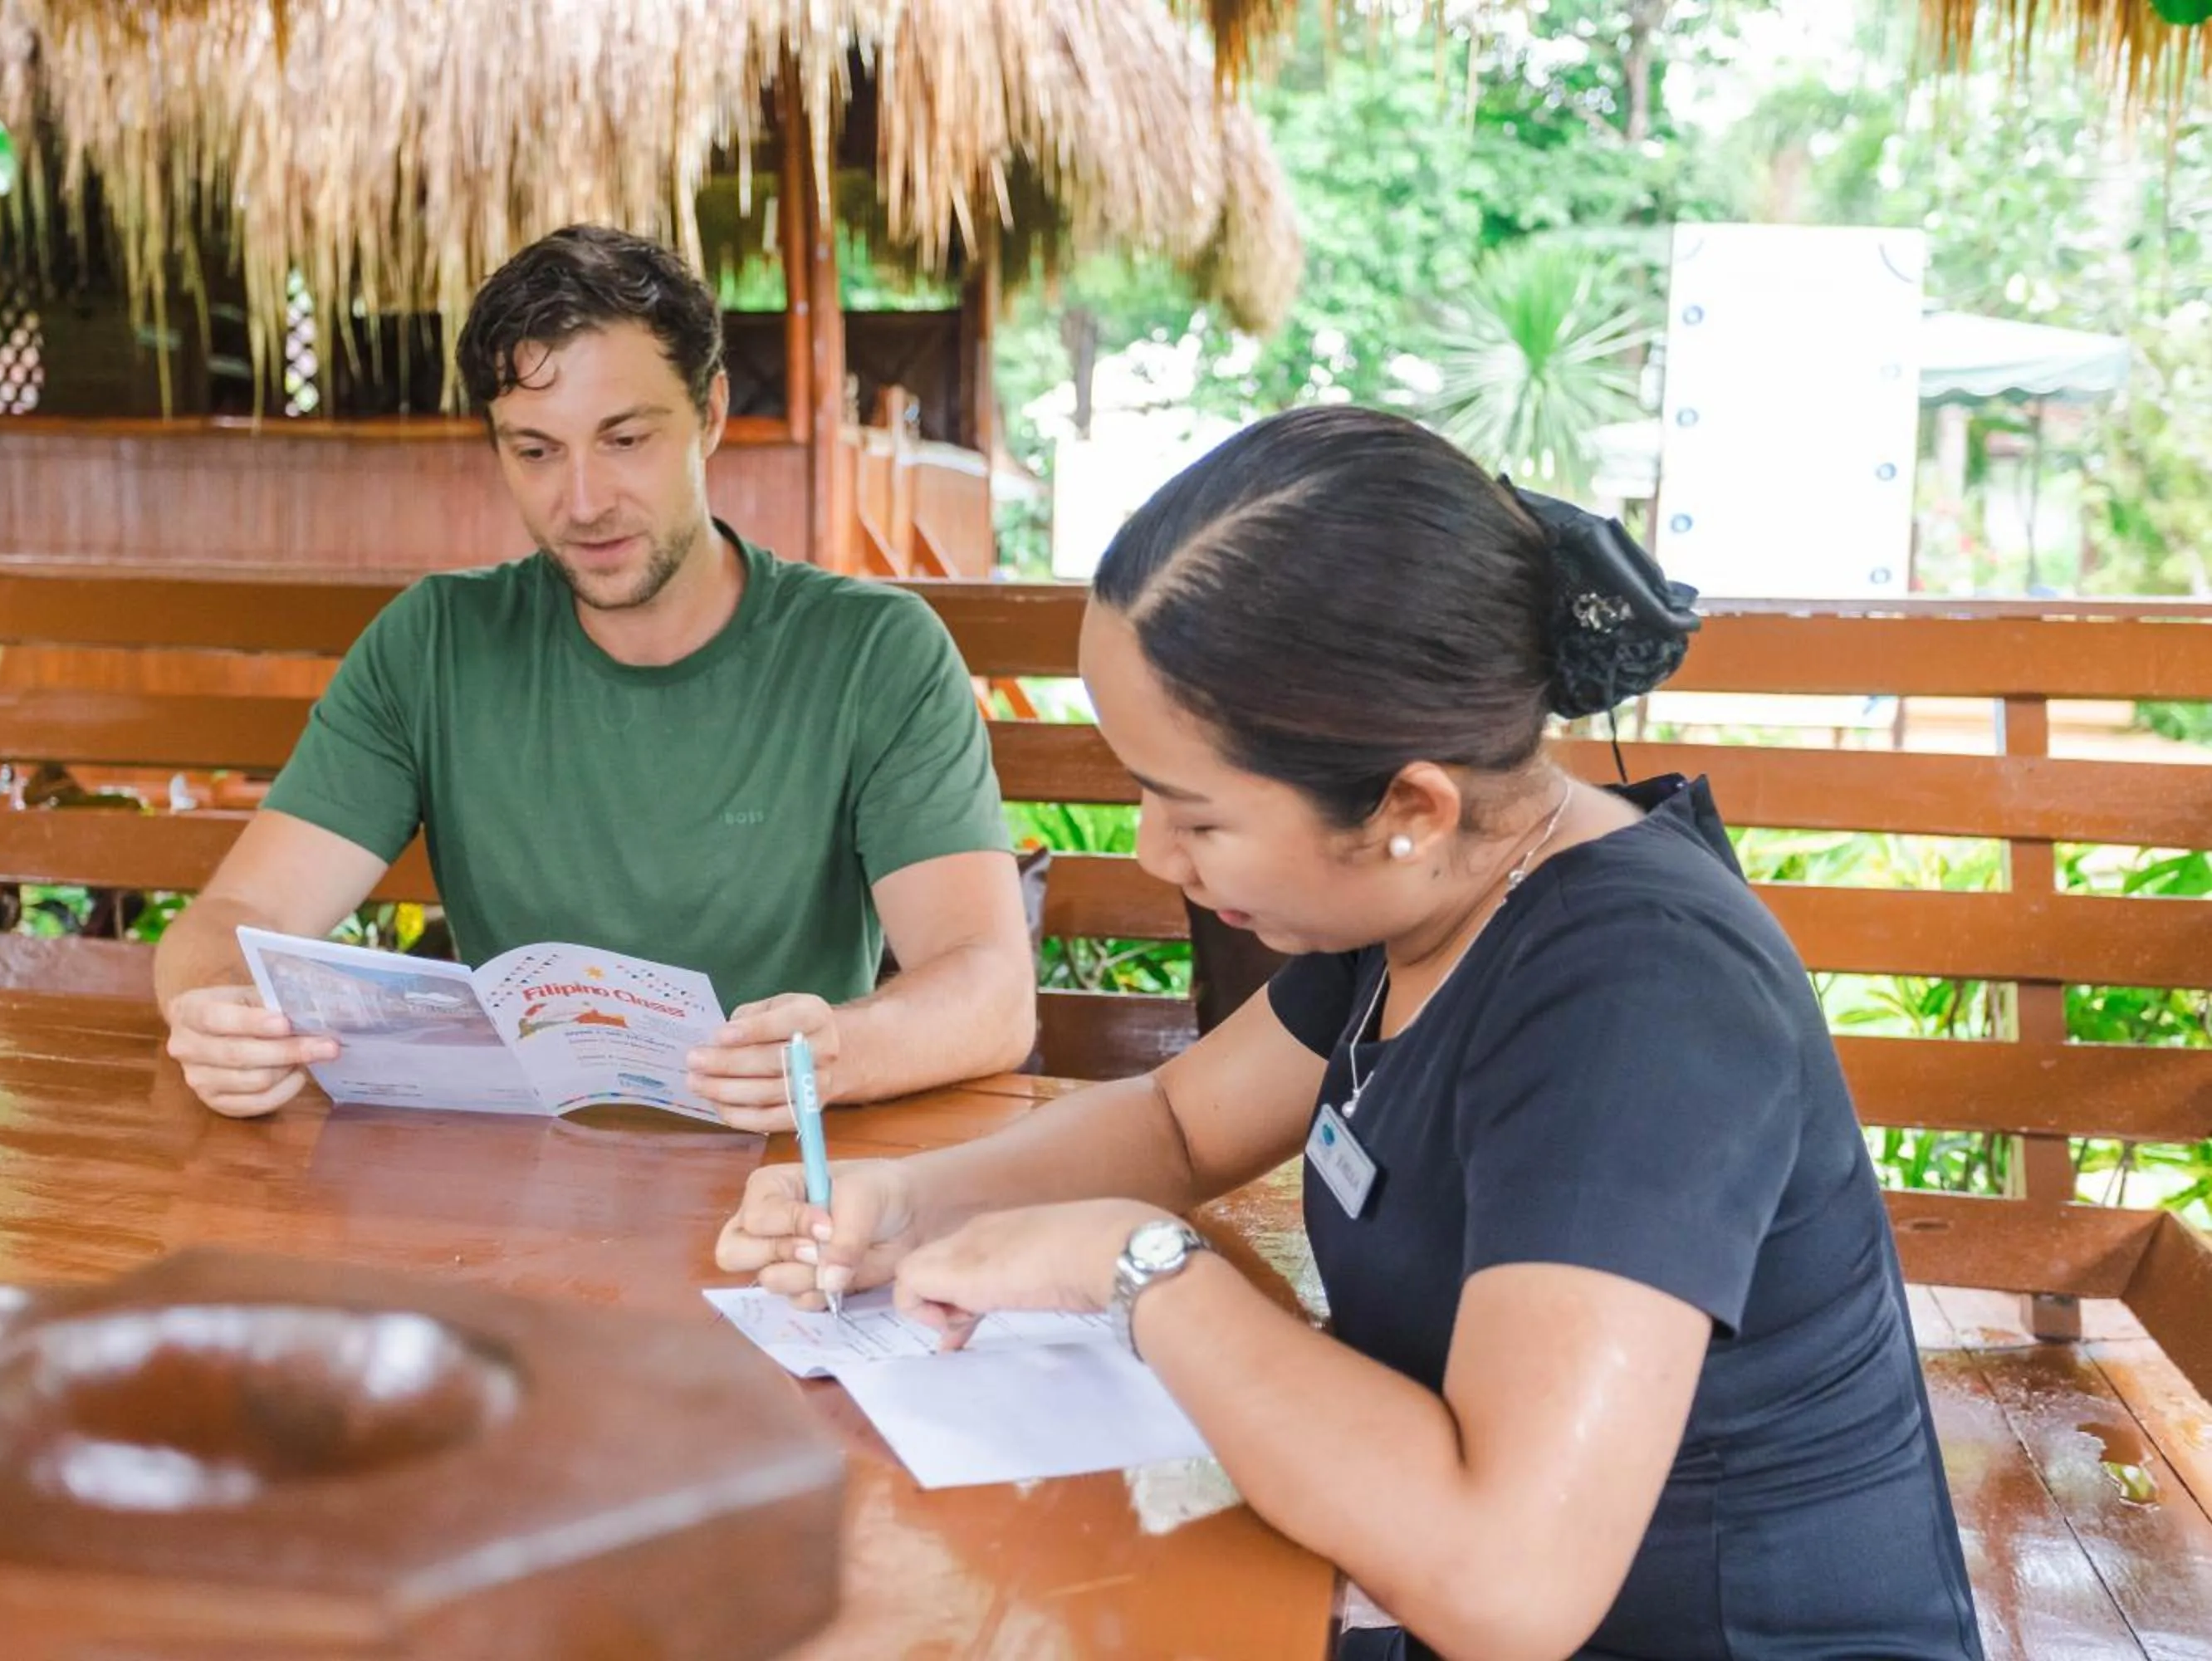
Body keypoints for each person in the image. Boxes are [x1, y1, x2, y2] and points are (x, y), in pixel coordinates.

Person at [717, 407, 1984, 1659]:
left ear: (1410, 806)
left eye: (1195, 816)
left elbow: (1509, 1585)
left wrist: (1136, 1268)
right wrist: (908, 1208)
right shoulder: (1429, 896)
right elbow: (1174, 1123)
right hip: (1409, 1575)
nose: (1156, 854)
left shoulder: (1641, 1000)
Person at [157, 226, 1035, 1129]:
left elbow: (992, 987)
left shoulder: (872, 653)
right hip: (515, 1180)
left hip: (775, 1184)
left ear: (711, 414)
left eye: (624, 439)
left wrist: (829, 1055)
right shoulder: (434, 643)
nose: (581, 502)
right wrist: (221, 1012)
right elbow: (233, 913)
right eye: (536, 451)